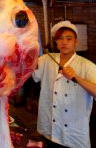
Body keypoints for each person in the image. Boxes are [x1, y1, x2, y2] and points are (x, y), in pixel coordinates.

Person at [32, 20, 96, 148]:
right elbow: (31, 71)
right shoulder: (46, 59)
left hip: (74, 133)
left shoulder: (87, 66)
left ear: (75, 42)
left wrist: (76, 77)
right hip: (49, 127)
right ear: (56, 42)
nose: (64, 42)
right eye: (60, 39)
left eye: (69, 38)